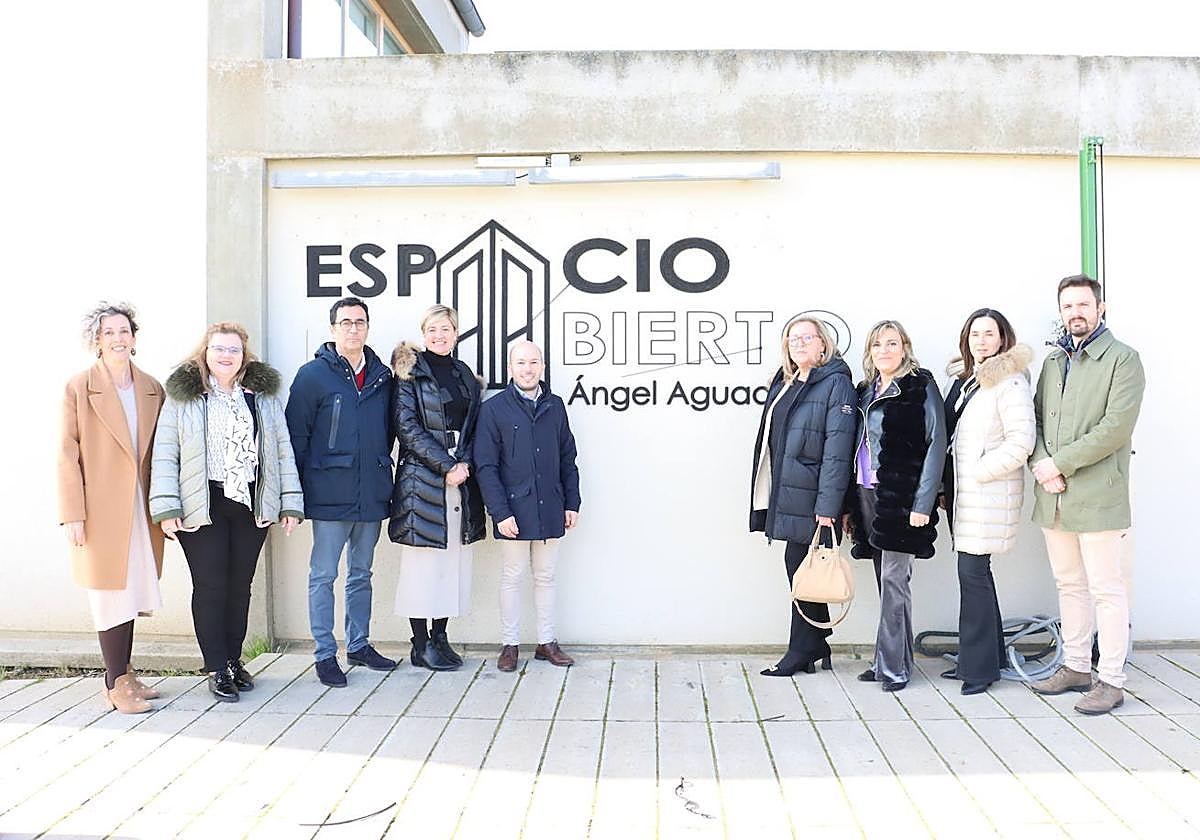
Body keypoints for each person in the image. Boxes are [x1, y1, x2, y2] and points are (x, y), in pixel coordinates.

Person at [150, 322, 303, 702]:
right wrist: (167, 506)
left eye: (233, 350)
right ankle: (216, 666)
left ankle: (234, 660)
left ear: (243, 355)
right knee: (210, 585)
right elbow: (166, 453)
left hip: (249, 502)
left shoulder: (261, 397)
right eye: (218, 349)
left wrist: (289, 502)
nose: (225, 356)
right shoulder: (185, 397)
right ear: (205, 352)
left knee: (240, 586)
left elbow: (281, 449)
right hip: (203, 502)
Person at [1028, 275, 1145, 715]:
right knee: (1069, 584)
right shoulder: (1054, 361)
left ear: (1100, 308)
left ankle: (1112, 680)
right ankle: (1076, 666)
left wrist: (1060, 464)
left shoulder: (1123, 359)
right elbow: (1036, 419)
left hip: (1098, 493)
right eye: (1067, 306)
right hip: (1053, 493)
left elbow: (1115, 428)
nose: (1074, 313)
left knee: (1106, 589)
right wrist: (1043, 466)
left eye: (1082, 304)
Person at [58, 302, 166, 714]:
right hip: (100, 508)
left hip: (141, 505)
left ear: (134, 338)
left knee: (132, 588)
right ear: (96, 341)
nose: (118, 339)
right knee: (108, 593)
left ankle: (126, 672)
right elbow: (66, 453)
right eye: (109, 333)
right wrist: (72, 512)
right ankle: (113, 681)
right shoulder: (79, 387)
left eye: (124, 331)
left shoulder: (152, 387)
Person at [286, 296, 396, 688]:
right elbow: (295, 438)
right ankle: (324, 653)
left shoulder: (383, 376)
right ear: (333, 329)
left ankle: (359, 645)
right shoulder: (312, 375)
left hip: (372, 493)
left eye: (360, 322)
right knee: (323, 575)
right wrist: (291, 498)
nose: (353, 329)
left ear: (368, 328)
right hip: (329, 492)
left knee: (362, 573)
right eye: (345, 322)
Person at [749, 315, 856, 676]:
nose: (798, 344)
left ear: (823, 344)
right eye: (792, 339)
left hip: (813, 496)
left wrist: (828, 506)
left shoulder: (835, 384)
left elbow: (837, 451)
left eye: (806, 338)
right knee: (802, 566)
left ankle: (802, 649)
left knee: (800, 566)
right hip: (789, 492)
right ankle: (815, 642)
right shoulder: (787, 382)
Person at [845, 320, 946, 692]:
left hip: (902, 499)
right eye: (877, 345)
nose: (884, 350)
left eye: (892, 343)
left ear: (905, 347)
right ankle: (893, 659)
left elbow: (937, 443)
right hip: (867, 494)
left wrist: (923, 502)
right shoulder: (865, 391)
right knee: (886, 583)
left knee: (894, 581)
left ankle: (892, 668)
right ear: (870, 352)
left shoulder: (920, 386)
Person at [939, 309, 1035, 695]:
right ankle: (986, 656)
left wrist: (976, 472)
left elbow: (1021, 442)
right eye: (975, 333)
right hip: (964, 495)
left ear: (1002, 339)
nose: (981, 340)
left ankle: (978, 670)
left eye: (989, 334)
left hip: (986, 493)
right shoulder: (966, 381)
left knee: (973, 575)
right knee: (979, 576)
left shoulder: (1009, 382)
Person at [388, 304, 485, 671]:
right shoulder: (410, 372)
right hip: (423, 478)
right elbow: (406, 426)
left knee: (451, 560)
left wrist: (465, 463)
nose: (439, 335)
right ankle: (420, 643)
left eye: (446, 329)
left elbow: (475, 426)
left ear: (456, 333)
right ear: (423, 332)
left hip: (460, 476)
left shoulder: (463, 374)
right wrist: (445, 466)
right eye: (433, 329)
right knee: (423, 563)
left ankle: (441, 637)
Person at [475, 341, 582, 672]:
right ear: (510, 368)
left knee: (546, 576)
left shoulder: (556, 406)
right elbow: (486, 466)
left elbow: (568, 457)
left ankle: (546, 643)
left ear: (543, 367)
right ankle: (510, 645)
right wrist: (500, 512)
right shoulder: (494, 410)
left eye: (533, 362)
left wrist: (572, 502)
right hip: (514, 511)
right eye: (521, 363)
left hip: (551, 506)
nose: (527, 368)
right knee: (512, 576)